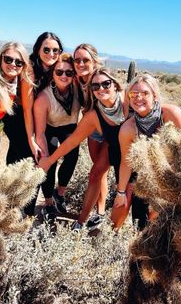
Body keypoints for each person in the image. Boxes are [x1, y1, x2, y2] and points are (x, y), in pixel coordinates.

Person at [38, 68, 129, 231]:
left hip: (136, 154)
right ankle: (81, 221)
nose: (101, 89)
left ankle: (121, 233)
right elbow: (72, 141)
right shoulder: (93, 116)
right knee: (95, 174)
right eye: (95, 87)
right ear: (91, 91)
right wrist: (50, 160)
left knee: (129, 196)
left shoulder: (128, 101)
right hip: (114, 147)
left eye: (106, 84)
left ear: (115, 85)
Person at [112, 73, 181, 230]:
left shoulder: (171, 114)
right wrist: (120, 192)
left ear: (155, 96)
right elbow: (126, 163)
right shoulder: (128, 128)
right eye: (133, 94)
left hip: (174, 173)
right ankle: (123, 234)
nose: (138, 97)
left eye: (144, 93)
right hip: (143, 175)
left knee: (158, 214)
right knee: (132, 212)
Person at [3, 32, 63, 216]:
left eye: (55, 50)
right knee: (31, 157)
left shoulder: (55, 69)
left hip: (36, 117)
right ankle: (21, 211)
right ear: (38, 50)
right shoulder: (29, 70)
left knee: (21, 158)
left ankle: (16, 208)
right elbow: (27, 109)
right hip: (18, 117)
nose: (51, 53)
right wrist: (32, 138)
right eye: (46, 49)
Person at [33, 53, 81, 222]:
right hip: (49, 129)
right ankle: (47, 204)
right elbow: (39, 132)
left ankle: (59, 194)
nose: (64, 76)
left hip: (70, 126)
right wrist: (46, 157)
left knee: (73, 156)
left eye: (69, 73)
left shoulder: (78, 89)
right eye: (59, 72)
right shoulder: (43, 98)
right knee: (49, 162)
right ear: (52, 73)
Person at [73, 44, 111, 227]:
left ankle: (83, 220)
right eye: (77, 60)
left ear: (94, 61)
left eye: (85, 60)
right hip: (93, 130)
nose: (80, 63)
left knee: (96, 172)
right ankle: (100, 212)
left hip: (111, 131)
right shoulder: (75, 79)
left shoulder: (102, 78)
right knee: (99, 171)